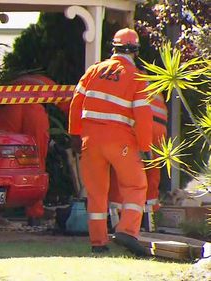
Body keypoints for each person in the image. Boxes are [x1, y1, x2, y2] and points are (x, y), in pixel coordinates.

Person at [68, 28, 153, 255]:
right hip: (121, 144)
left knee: (96, 192)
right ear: (135, 51)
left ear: (113, 48)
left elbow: (76, 103)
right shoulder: (137, 77)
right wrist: (145, 147)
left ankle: (98, 243)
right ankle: (127, 230)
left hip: (90, 142)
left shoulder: (94, 70)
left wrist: (74, 134)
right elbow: (143, 117)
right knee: (135, 185)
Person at [109, 91, 168, 232]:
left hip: (139, 125)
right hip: (160, 129)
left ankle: (116, 221)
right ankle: (150, 221)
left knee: (122, 171)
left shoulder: (131, 78)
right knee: (152, 172)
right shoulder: (154, 85)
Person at [0, 103, 50, 224]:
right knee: (37, 162)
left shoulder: (10, 87)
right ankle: (34, 215)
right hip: (35, 111)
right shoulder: (48, 85)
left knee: (3, 160)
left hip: (9, 108)